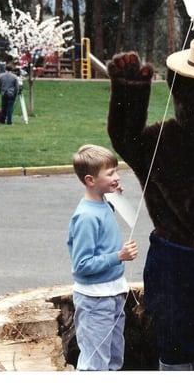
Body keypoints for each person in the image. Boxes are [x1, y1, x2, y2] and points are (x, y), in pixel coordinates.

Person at [67, 144, 139, 371]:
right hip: (95, 301)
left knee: (114, 357)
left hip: (113, 293)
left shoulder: (102, 203)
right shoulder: (86, 217)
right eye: (110, 174)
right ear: (90, 180)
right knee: (95, 364)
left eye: (116, 171)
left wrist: (114, 194)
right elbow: (81, 265)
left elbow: (106, 216)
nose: (117, 177)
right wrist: (119, 256)